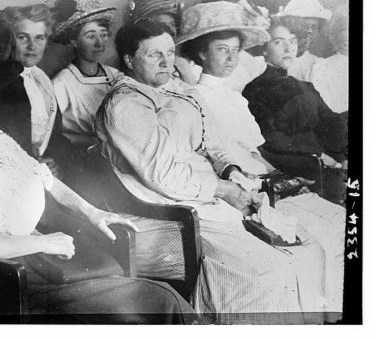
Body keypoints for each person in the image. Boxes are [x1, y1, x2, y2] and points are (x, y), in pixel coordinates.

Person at [0, 24, 197, 324]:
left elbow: (46, 179)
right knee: (153, 304)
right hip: (6, 282)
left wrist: (92, 212)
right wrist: (43, 243)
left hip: (41, 262)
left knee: (160, 299)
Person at [94, 18, 328, 324]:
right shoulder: (125, 104)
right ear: (128, 59)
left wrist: (232, 174)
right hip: (166, 211)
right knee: (267, 270)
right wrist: (224, 190)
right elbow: (163, 175)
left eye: (169, 52)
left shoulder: (178, 91)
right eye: (154, 55)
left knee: (309, 252)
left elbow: (215, 144)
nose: (167, 62)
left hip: (203, 196)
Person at [179, 1, 346, 316]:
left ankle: (336, 318)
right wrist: (264, 184)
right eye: (221, 50)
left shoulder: (233, 96)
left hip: (266, 180)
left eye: (235, 50)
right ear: (201, 53)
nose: (230, 58)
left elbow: (258, 151)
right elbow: (220, 157)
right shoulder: (193, 99)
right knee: (318, 240)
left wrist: (286, 179)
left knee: (340, 226)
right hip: (242, 188)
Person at [242, 22, 348, 205]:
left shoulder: (305, 87)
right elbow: (268, 137)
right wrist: (318, 154)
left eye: (292, 41)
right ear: (264, 49)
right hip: (293, 163)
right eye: (278, 42)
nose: (288, 47)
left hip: (323, 162)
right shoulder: (255, 90)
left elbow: (330, 121)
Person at [0, 4, 74, 179]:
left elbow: (54, 135)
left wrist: (55, 162)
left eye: (39, 38)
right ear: (9, 41)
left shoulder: (42, 80)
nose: (32, 46)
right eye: (23, 38)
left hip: (41, 172)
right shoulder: (0, 84)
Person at [128, 0, 266, 92]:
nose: (168, 32)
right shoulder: (138, 63)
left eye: (171, 25)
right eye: (160, 26)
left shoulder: (184, 63)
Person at [51, 0, 123, 148]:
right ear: (73, 41)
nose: (100, 44)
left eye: (103, 35)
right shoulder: (62, 83)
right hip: (82, 156)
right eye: (91, 37)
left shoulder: (116, 77)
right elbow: (53, 134)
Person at [273, 0, 332, 82]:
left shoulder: (320, 65)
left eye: (313, 27)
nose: (309, 32)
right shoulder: (272, 59)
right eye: (304, 26)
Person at [311, 4, 349, 114]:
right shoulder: (322, 68)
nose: (347, 36)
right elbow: (324, 108)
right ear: (334, 34)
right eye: (343, 31)